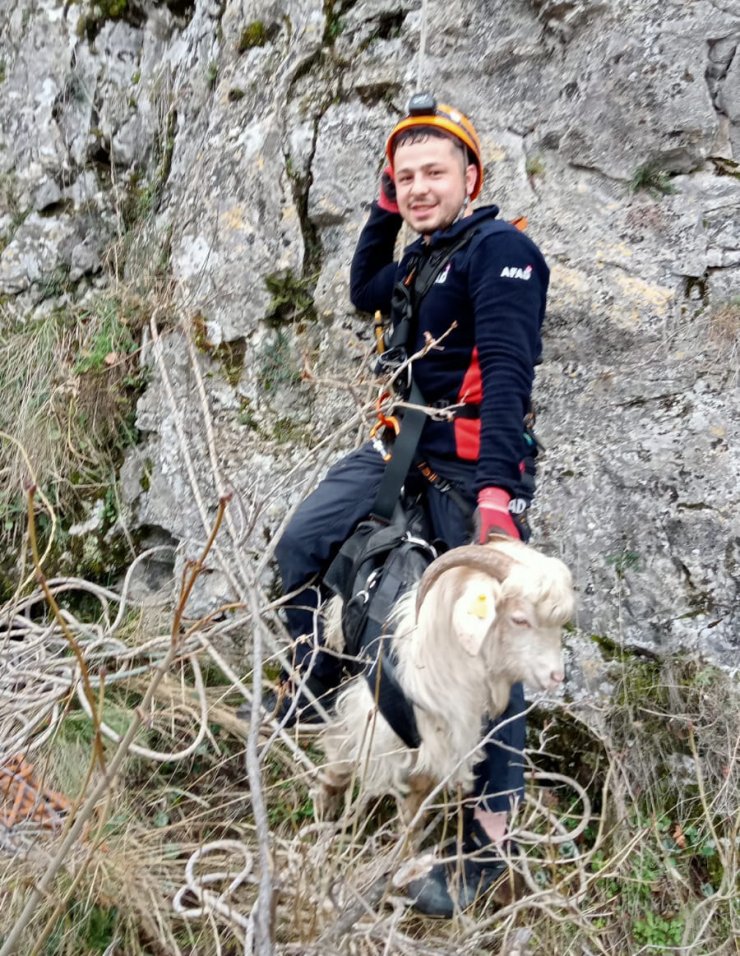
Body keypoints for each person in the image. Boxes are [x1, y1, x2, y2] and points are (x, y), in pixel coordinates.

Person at [270, 94, 550, 917]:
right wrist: (382, 210)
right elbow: (363, 288)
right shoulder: (429, 251)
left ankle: (484, 857)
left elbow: (507, 377)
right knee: (302, 546)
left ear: (472, 175)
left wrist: (497, 499)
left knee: (487, 659)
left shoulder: (502, 252)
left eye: (435, 172)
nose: (420, 187)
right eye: (406, 177)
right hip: (399, 456)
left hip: (468, 476)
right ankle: (317, 698)